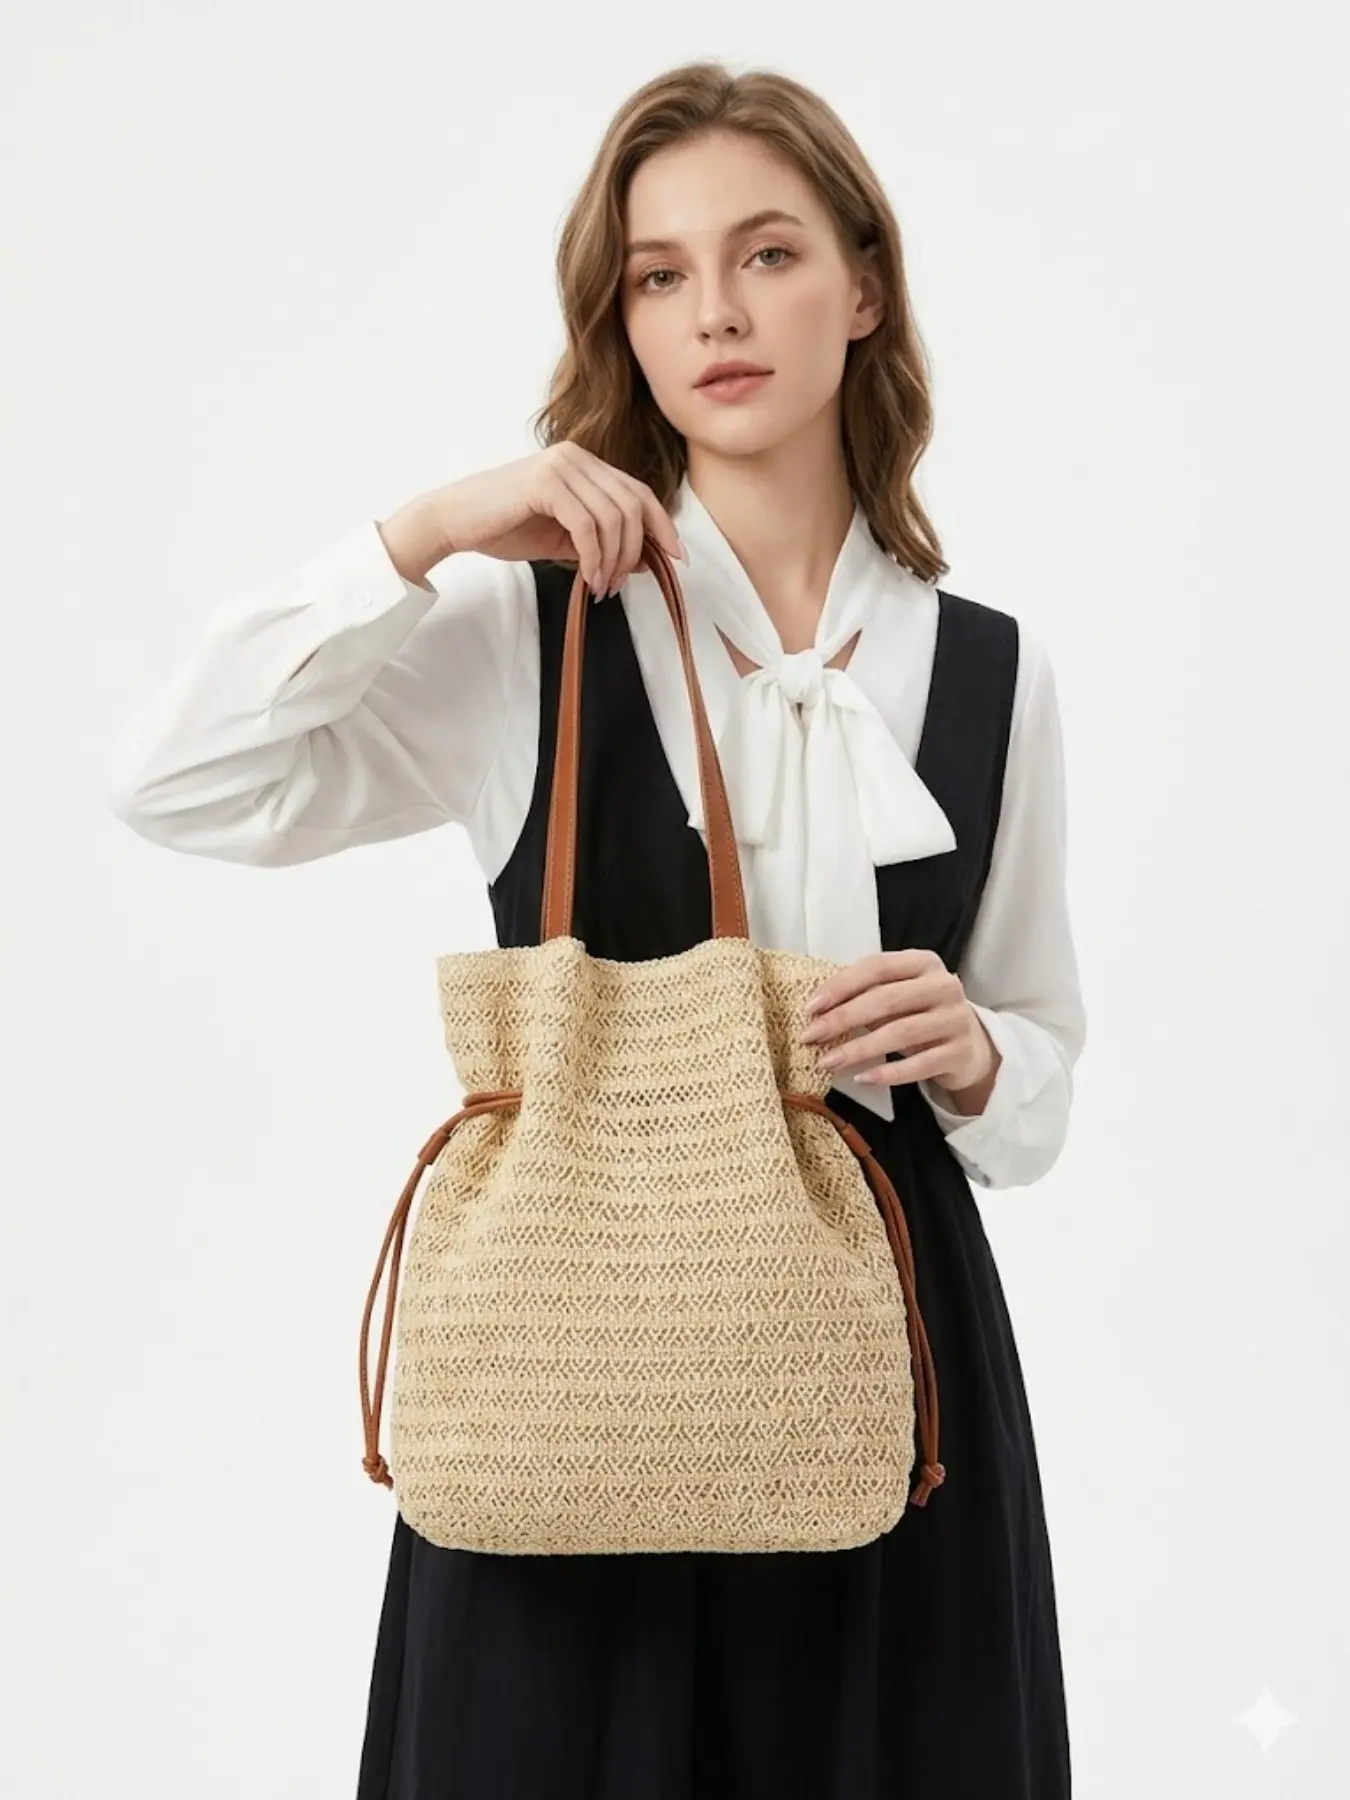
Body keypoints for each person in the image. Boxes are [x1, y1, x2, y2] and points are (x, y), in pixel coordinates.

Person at [106, 57, 1086, 1800]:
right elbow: (178, 781)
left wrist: (979, 1054)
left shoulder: (988, 670)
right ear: (618, 321)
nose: (715, 312)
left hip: (887, 1363)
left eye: (767, 254)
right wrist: (419, 536)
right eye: (657, 275)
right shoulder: (527, 633)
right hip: (575, 1348)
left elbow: (1036, 1069)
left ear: (863, 288)